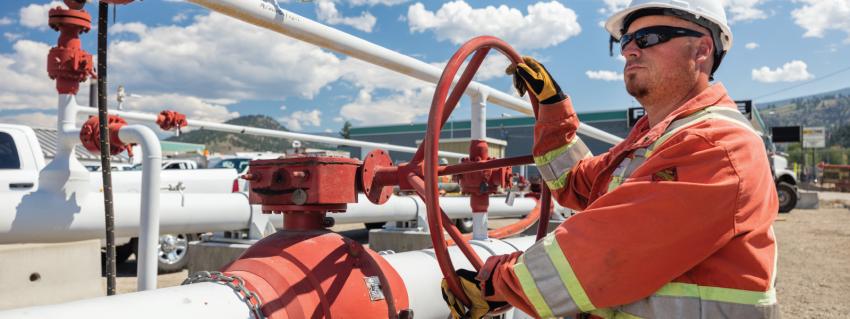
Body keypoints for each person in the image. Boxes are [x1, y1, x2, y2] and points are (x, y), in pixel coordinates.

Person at [441, 1, 779, 318]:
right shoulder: (654, 137)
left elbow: (603, 255)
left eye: (648, 38)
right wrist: (553, 108)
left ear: (702, 49)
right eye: (627, 41)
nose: (630, 50)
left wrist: (494, 285)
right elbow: (576, 183)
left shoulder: (718, 144)